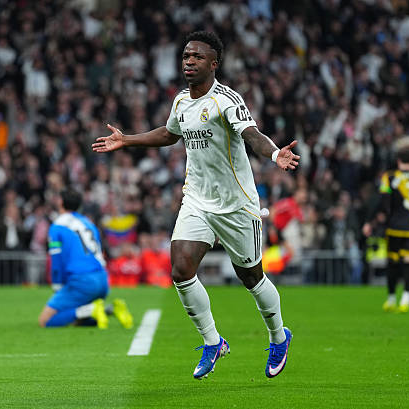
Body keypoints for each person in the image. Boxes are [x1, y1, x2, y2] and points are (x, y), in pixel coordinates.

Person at [93, 31, 300, 379]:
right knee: (180, 269)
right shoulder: (180, 102)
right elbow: (169, 134)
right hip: (197, 199)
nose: (189, 61)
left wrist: (275, 153)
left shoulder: (226, 100)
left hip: (236, 204)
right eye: (186, 56)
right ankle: (212, 341)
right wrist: (127, 140)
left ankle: (279, 336)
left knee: (251, 277)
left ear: (213, 64)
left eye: (197, 57)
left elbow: (251, 133)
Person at [38, 189, 133, 330]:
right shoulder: (88, 224)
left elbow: (56, 261)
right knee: (76, 320)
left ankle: (91, 309)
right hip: (102, 280)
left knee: (45, 320)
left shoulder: (56, 226)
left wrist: (57, 286)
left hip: (82, 281)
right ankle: (110, 309)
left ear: (61, 202)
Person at [363, 149, 409, 312]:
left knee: (392, 262)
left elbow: (382, 201)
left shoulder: (390, 177)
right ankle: (406, 299)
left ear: (399, 161)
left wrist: (370, 221)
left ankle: (391, 299)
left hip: (395, 227)